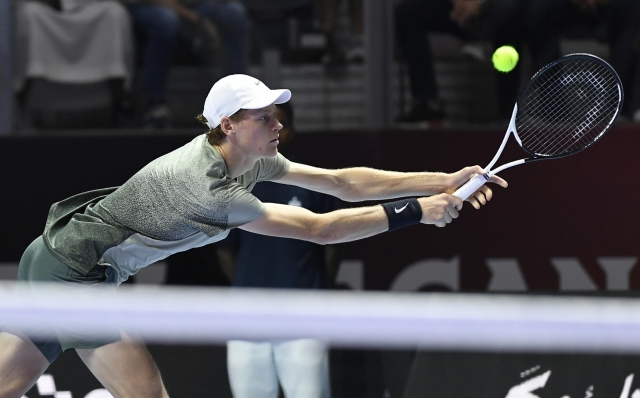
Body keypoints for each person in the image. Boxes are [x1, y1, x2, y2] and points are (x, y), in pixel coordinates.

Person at [0, 73, 507, 397]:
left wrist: (443, 180)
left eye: (275, 114)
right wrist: (417, 212)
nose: (276, 123)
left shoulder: (252, 158)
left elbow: (337, 182)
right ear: (229, 124)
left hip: (49, 257)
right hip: (75, 273)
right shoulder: (209, 188)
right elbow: (318, 229)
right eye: (263, 116)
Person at [218, 102, 339, 398]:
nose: (273, 129)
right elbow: (225, 251)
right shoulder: (234, 186)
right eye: (263, 122)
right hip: (247, 320)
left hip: (303, 319)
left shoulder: (314, 182)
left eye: (279, 123)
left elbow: (332, 247)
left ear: (291, 131)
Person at [124, 0, 250, 128]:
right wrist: (196, 19)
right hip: (151, 5)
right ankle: (154, 105)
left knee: (234, 12)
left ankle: (238, 103)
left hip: (197, 6)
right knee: (166, 21)